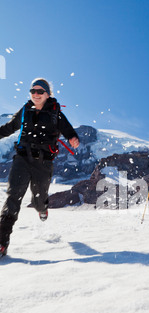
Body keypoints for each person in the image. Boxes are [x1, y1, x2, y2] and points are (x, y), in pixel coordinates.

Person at [0, 78, 80, 256]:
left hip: (43, 163)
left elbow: (68, 130)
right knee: (13, 197)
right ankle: (2, 241)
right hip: (22, 159)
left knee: (39, 198)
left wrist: (73, 138)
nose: (35, 94)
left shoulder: (55, 113)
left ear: (47, 94)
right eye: (33, 91)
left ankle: (42, 208)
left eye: (40, 91)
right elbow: (9, 127)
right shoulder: (25, 110)